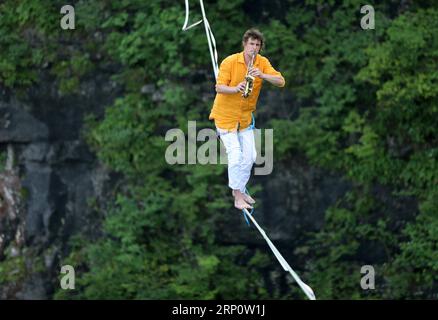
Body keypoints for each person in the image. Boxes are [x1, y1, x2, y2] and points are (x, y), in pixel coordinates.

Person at [209, 28, 285, 210]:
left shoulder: (262, 62)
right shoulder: (230, 61)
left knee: (251, 156)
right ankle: (237, 196)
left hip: (244, 118)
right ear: (244, 44)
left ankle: (241, 190)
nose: (254, 48)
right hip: (225, 117)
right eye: (251, 43)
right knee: (235, 155)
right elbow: (219, 88)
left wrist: (263, 75)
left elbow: (281, 81)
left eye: (257, 45)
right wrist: (235, 88)